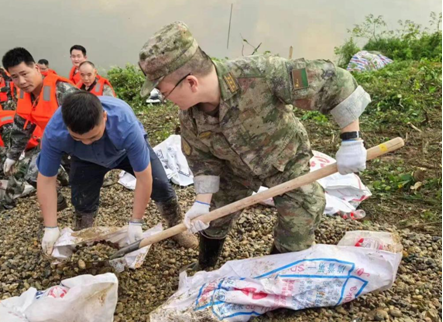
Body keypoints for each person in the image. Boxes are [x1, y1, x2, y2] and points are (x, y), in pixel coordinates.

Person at [138, 21, 371, 270]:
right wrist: (202, 203)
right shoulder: (190, 117)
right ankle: (205, 267)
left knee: (300, 219)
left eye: (164, 91)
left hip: (284, 162)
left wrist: (351, 140)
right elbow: (202, 160)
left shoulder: (261, 74)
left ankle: (272, 273)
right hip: (233, 170)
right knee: (213, 218)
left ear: (191, 83)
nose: (164, 99)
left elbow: (335, 82)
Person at [37, 91, 198, 255]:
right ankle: (83, 233)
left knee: (160, 184)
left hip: (123, 152)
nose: (86, 142)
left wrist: (136, 221)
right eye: (78, 138)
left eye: (92, 137)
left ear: (104, 118)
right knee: (82, 199)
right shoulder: (54, 133)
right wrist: (51, 227)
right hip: (84, 159)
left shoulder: (125, 123)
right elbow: (46, 180)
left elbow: (144, 177)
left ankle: (176, 225)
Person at [1, 47, 79, 209]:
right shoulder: (25, 95)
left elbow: (91, 118)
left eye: (24, 74)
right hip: (55, 144)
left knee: (83, 189)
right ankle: (58, 203)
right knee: (29, 171)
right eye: (15, 77)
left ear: (36, 68)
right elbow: (21, 128)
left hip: (80, 145)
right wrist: (12, 156)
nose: (21, 81)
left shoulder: (63, 91)